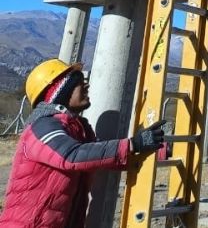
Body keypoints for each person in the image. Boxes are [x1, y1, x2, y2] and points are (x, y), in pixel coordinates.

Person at [0, 59, 167, 228]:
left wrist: (160, 148)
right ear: (61, 92)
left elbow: (101, 156)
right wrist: (132, 144)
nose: (86, 87)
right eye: (79, 83)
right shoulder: (41, 126)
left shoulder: (78, 128)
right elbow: (72, 156)